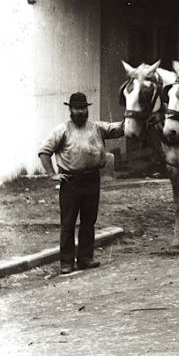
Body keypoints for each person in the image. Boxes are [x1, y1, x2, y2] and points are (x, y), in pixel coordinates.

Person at [38, 92, 124, 274]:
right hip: (71, 181)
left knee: (88, 221)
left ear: (87, 109)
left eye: (83, 108)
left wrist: (132, 115)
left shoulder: (97, 127)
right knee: (68, 223)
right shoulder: (61, 130)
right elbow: (44, 152)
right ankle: (66, 262)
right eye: (76, 108)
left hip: (92, 179)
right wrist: (52, 175)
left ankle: (85, 258)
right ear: (70, 110)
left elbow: (118, 128)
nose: (80, 112)